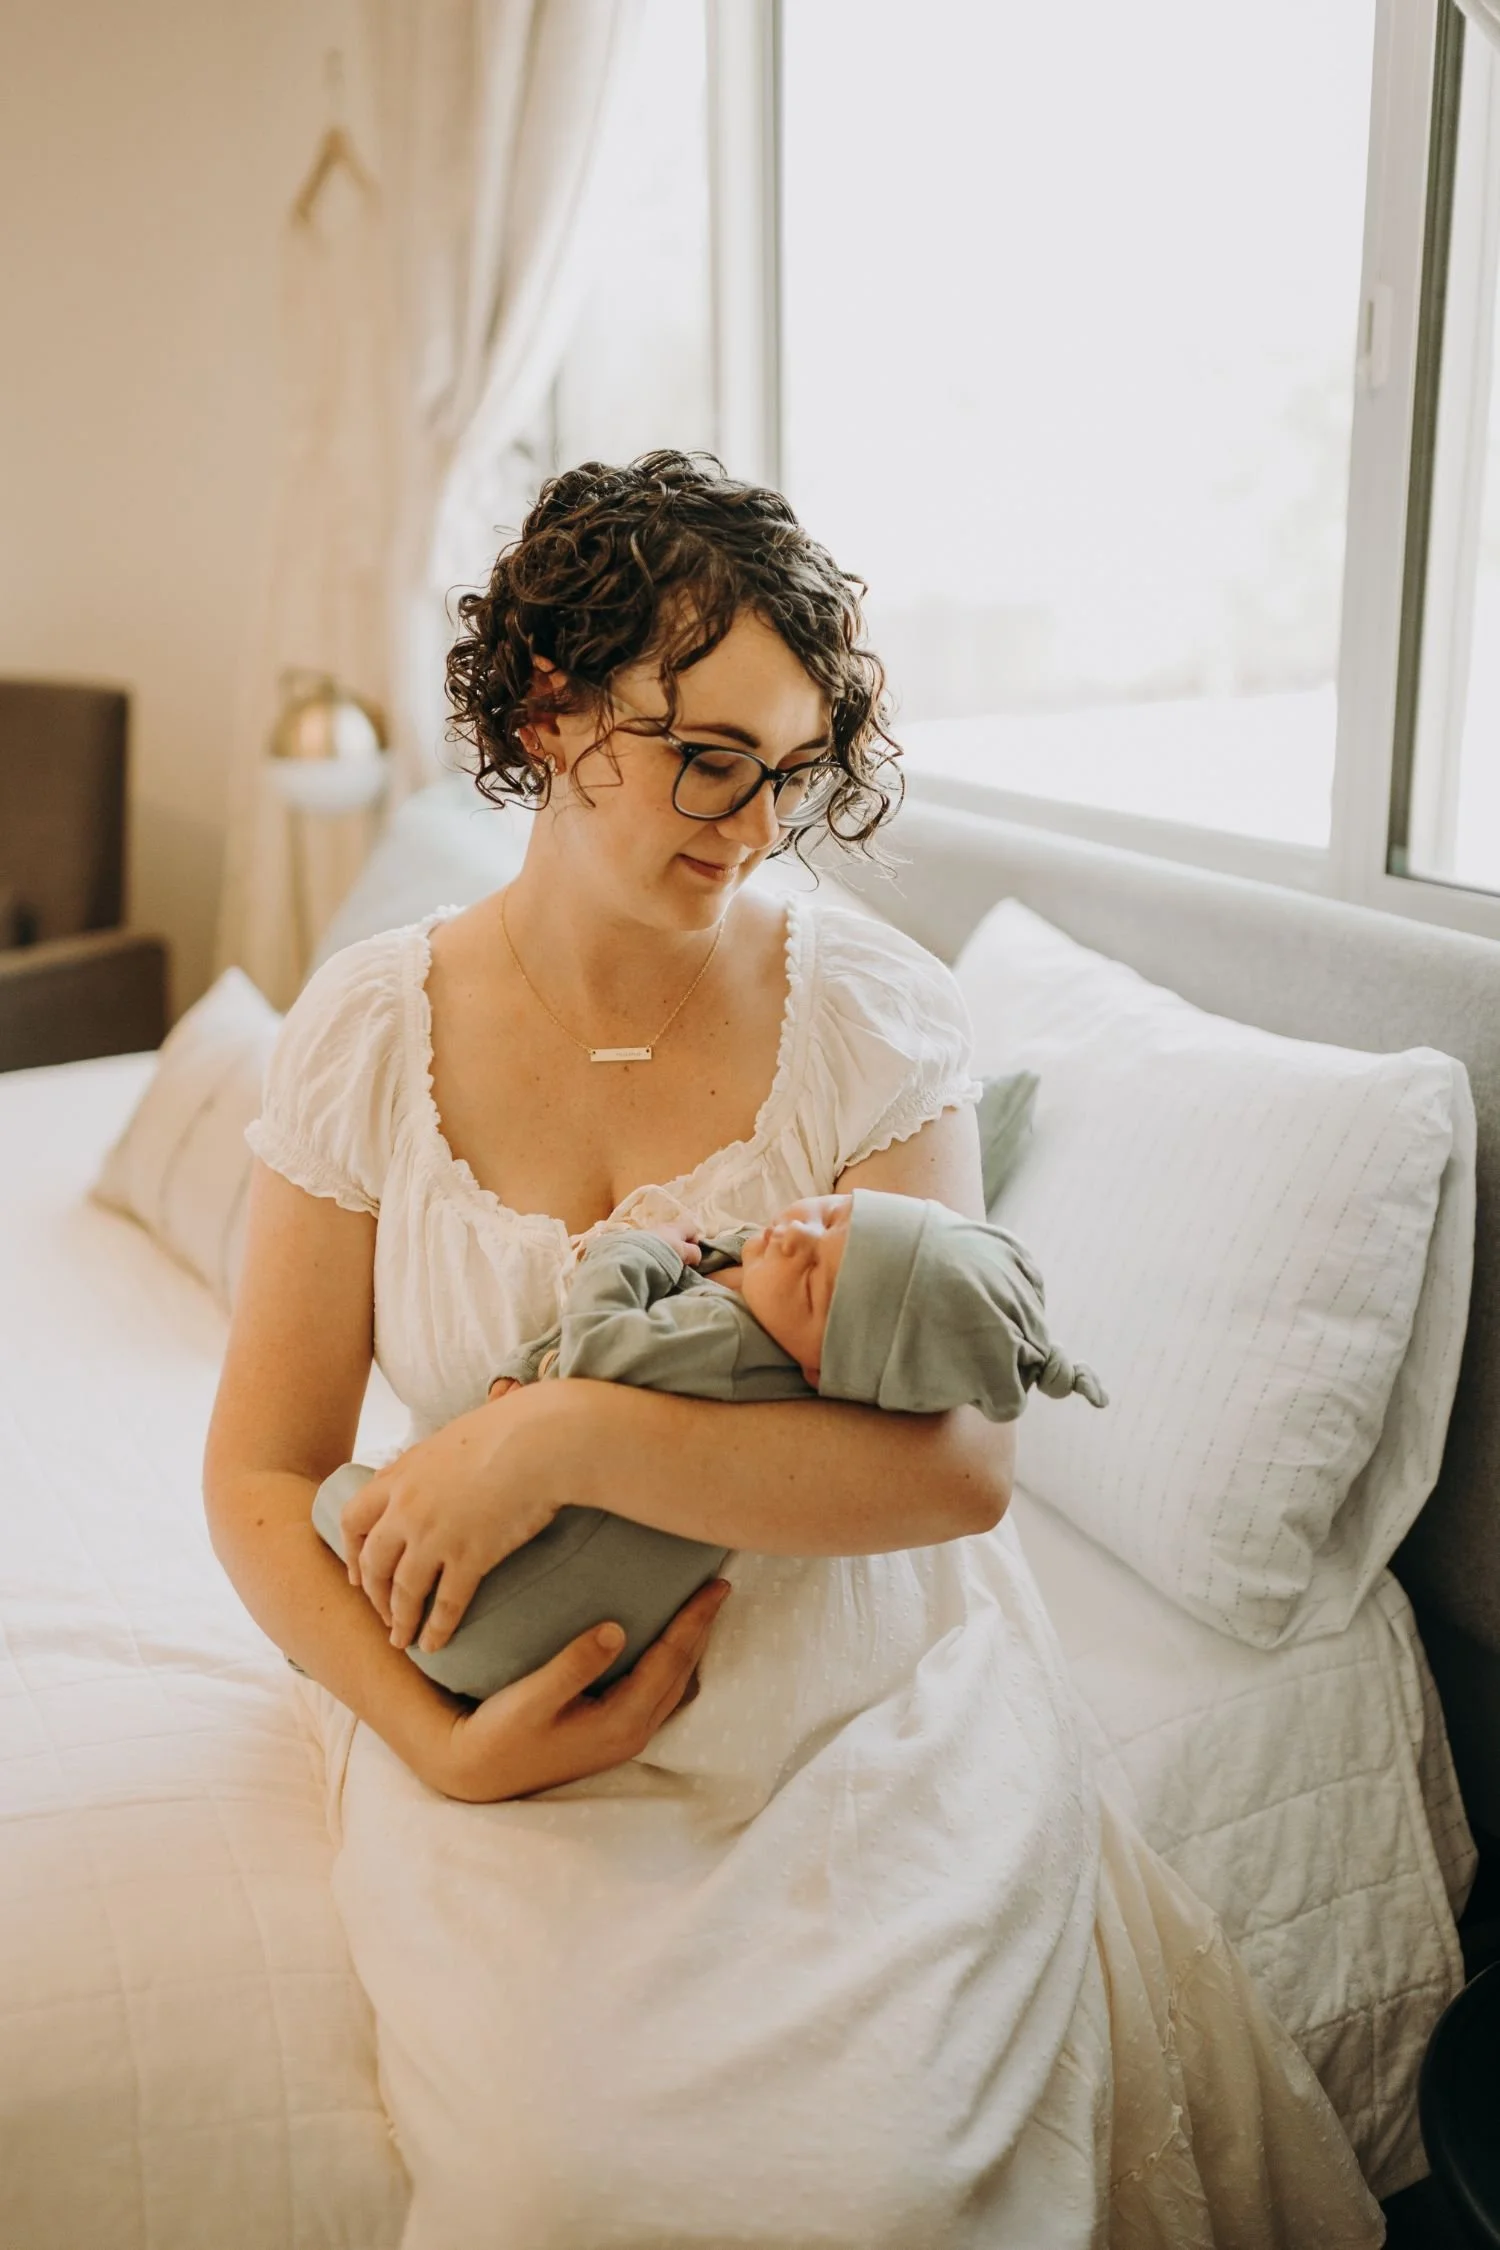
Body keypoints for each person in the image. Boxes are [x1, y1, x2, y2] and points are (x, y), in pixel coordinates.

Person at [204, 452, 1381, 2247]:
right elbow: (261, 1473)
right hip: (514, 1707)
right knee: (544, 2176)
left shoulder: (868, 1014)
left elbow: (961, 1471)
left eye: (789, 775)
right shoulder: (370, 1032)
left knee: (879, 2177)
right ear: (551, 706)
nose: (753, 828)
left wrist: (559, 1438)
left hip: (847, 1707)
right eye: (707, 760)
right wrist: (434, 1753)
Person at [312, 1188, 1106, 1702]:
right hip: (561, 1655)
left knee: (344, 1497)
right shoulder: (780, 1350)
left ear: (822, 1370)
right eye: (831, 1216)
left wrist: (636, 1249)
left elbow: (593, 1352)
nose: (793, 1237)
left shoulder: (724, 1343)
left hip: (478, 1624)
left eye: (814, 1284)